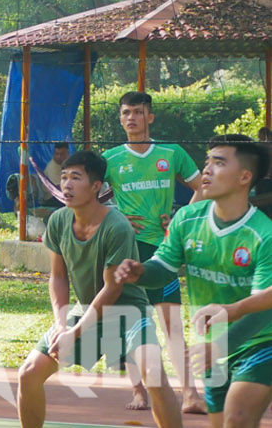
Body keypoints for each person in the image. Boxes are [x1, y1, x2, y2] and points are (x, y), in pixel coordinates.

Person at [115, 135, 272, 428]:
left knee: (237, 417)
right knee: (221, 423)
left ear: (244, 177)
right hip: (210, 345)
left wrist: (223, 345)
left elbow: (265, 307)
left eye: (219, 163)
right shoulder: (186, 219)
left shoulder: (263, 234)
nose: (206, 170)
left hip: (260, 342)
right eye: (207, 161)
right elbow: (163, 268)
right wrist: (142, 272)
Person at [14, 150, 178, 428]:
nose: (66, 184)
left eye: (75, 178)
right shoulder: (58, 221)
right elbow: (58, 277)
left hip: (128, 312)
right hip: (86, 309)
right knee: (28, 372)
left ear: (96, 187)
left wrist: (75, 332)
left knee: (153, 374)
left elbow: (112, 289)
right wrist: (61, 325)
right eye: (64, 177)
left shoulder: (117, 226)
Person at [108, 90, 205, 413]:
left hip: (162, 252)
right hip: (126, 250)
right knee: (131, 322)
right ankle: (139, 391)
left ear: (150, 116)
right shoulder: (110, 158)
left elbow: (203, 187)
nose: (131, 118)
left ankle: (190, 394)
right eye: (126, 113)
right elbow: (85, 194)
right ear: (120, 119)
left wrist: (180, 217)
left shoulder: (171, 152)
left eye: (138, 112)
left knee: (172, 323)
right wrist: (115, 216)